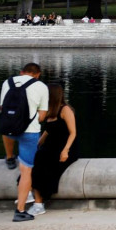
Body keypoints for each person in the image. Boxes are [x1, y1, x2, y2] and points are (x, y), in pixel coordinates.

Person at [0, 62, 49, 222]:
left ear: (21, 72)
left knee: (6, 130)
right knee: (26, 171)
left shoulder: (7, 82)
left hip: (8, 130)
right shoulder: (41, 86)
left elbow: (2, 109)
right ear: (38, 74)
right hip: (30, 133)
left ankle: (9, 157)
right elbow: (42, 116)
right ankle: (20, 210)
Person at [28, 83, 78, 216]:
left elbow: (73, 132)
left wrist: (65, 150)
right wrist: (38, 142)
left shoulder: (65, 109)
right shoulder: (50, 110)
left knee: (42, 161)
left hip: (64, 147)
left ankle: (38, 202)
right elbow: (48, 130)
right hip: (50, 145)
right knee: (35, 157)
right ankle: (32, 196)